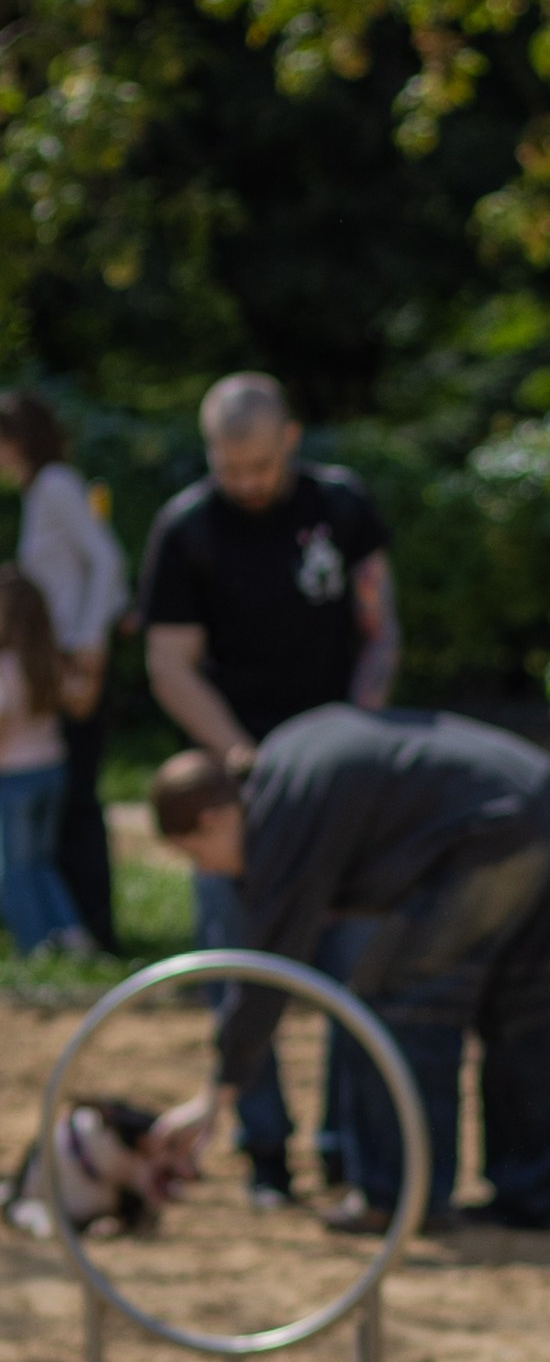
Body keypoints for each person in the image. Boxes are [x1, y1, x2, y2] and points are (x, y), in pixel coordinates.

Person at [148, 711, 550, 1234]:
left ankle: (397, 1195)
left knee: (395, 1005)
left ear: (216, 818)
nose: (209, 870)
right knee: (530, 1002)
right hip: (538, 796)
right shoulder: (285, 768)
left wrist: (217, 1091)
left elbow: (266, 972)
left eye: (197, 853)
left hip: (489, 831)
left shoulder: (281, 819)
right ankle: (540, 1196)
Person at [136, 372, 400, 1206]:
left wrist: (355, 730)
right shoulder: (187, 529)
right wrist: (241, 752)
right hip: (238, 788)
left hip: (340, 782)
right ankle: (264, 1156)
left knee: (351, 967)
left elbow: (379, 629)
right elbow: (169, 663)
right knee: (240, 965)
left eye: (257, 464)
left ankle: (343, 1150)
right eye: (228, 466)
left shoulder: (341, 508)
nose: (245, 482)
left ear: (289, 437)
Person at [0, 390, 125, 950]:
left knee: (76, 801)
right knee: (67, 799)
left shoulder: (54, 486)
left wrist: (88, 641)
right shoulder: (43, 490)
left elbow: (105, 560)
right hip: (58, 654)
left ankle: (88, 928)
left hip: (72, 656)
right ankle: (73, 928)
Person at [0, 565, 90, 959]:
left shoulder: (6, 667)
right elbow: (80, 699)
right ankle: (72, 935)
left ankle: (34, 946)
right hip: (52, 767)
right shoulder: (50, 660)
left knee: (15, 869)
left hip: (14, 776)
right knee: (42, 861)